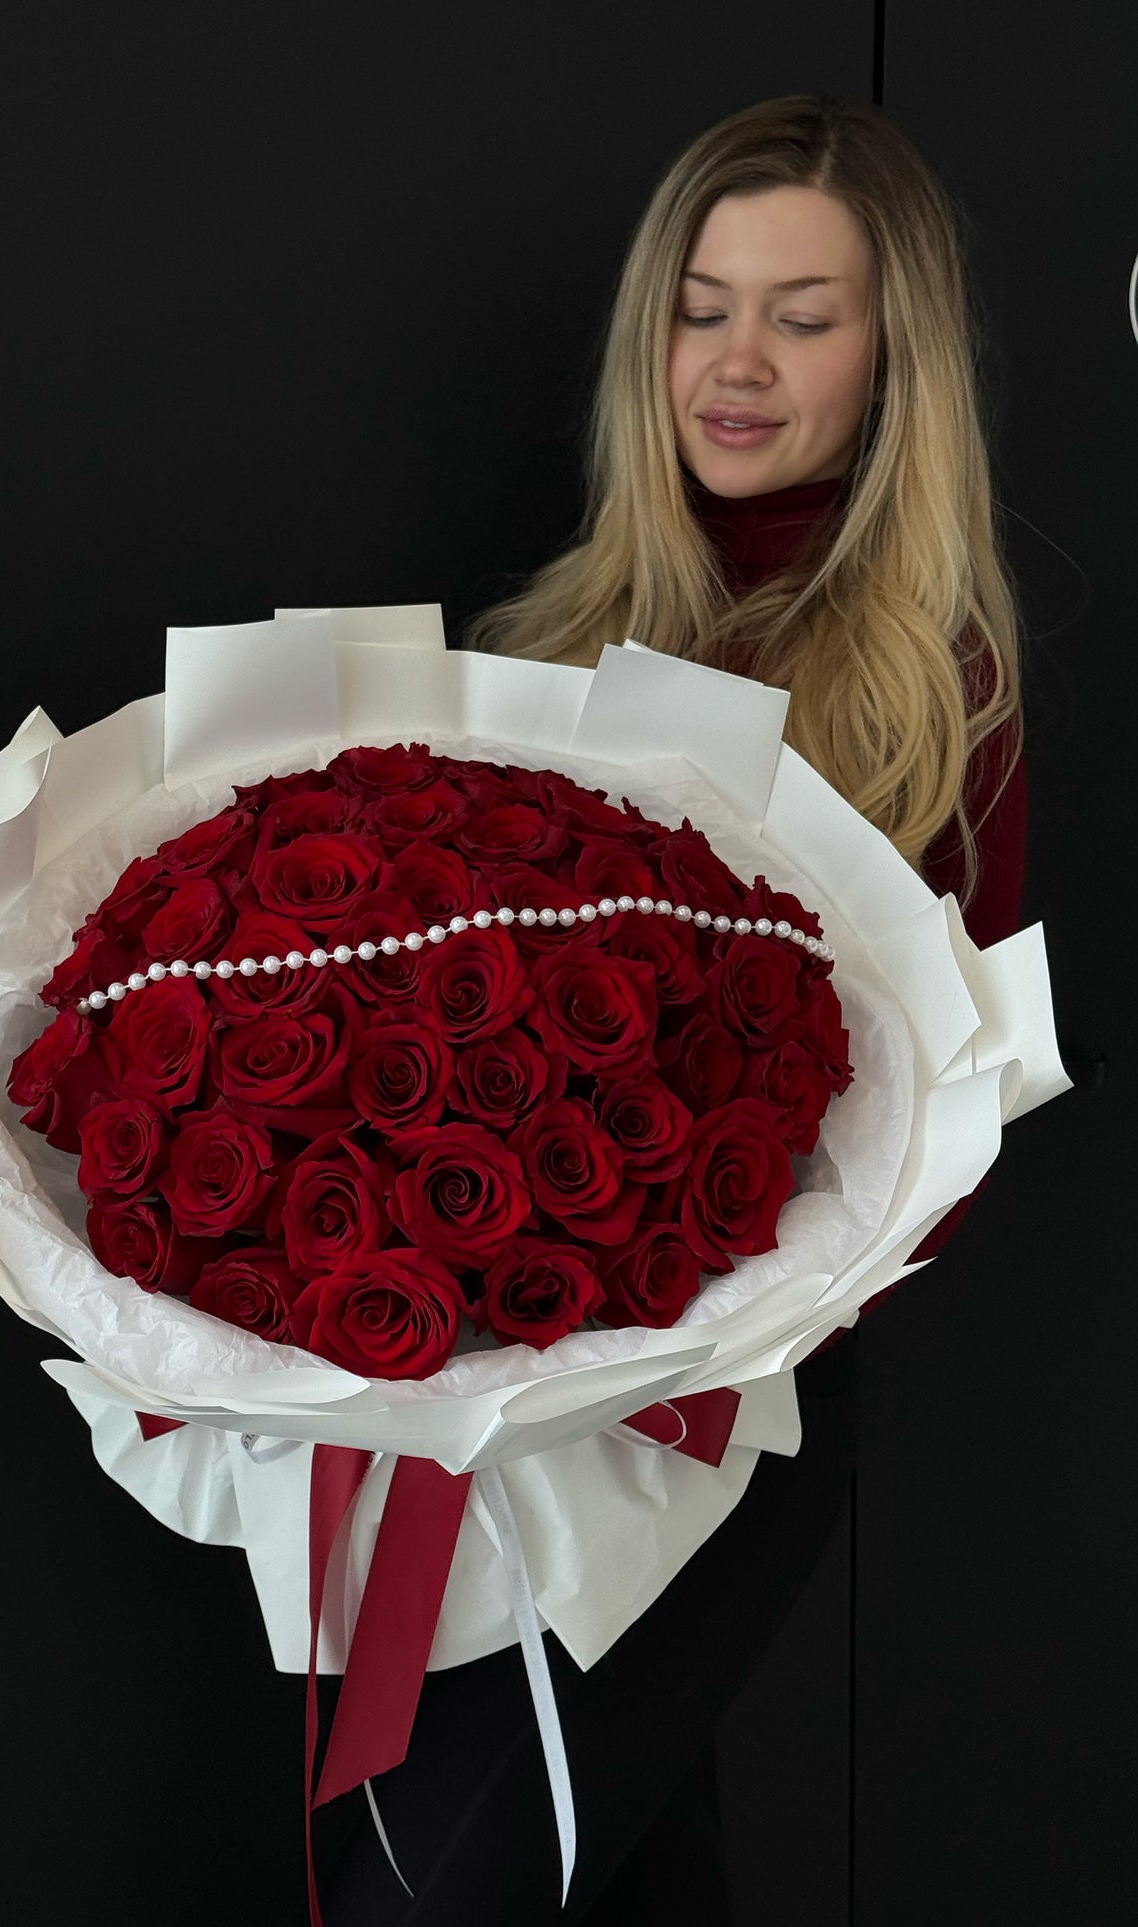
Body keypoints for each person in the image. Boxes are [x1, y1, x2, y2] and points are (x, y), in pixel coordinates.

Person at [311, 93, 1029, 1923]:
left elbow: (944, 1112)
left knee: (451, 1887)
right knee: (630, 1881)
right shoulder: (551, 635)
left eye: (802, 315)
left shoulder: (928, 681)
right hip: (506, 1383)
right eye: (702, 309)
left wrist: (685, 1321)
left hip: (727, 1408)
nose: (736, 362)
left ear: (892, 357)